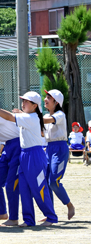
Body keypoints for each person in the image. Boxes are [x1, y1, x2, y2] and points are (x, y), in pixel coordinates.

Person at [0, 91, 58, 227]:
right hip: (24, 154)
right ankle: (29, 220)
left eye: (27, 101)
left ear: (34, 106)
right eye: (23, 100)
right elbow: (10, 115)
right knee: (24, 188)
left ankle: (51, 216)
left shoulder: (31, 118)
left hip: (35, 155)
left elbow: (9, 117)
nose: (23, 103)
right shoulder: (27, 116)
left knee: (39, 187)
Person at [42, 89, 75, 220]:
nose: (45, 99)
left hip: (60, 149)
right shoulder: (45, 116)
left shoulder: (60, 114)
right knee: (46, 181)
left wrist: (28, 117)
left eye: (49, 97)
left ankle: (69, 205)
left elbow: (45, 121)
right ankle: (50, 213)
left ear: (56, 102)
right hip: (49, 148)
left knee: (53, 181)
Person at [0, 113, 21, 226]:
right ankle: (2, 213)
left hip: (18, 145)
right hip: (7, 147)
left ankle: (14, 218)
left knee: (11, 185)